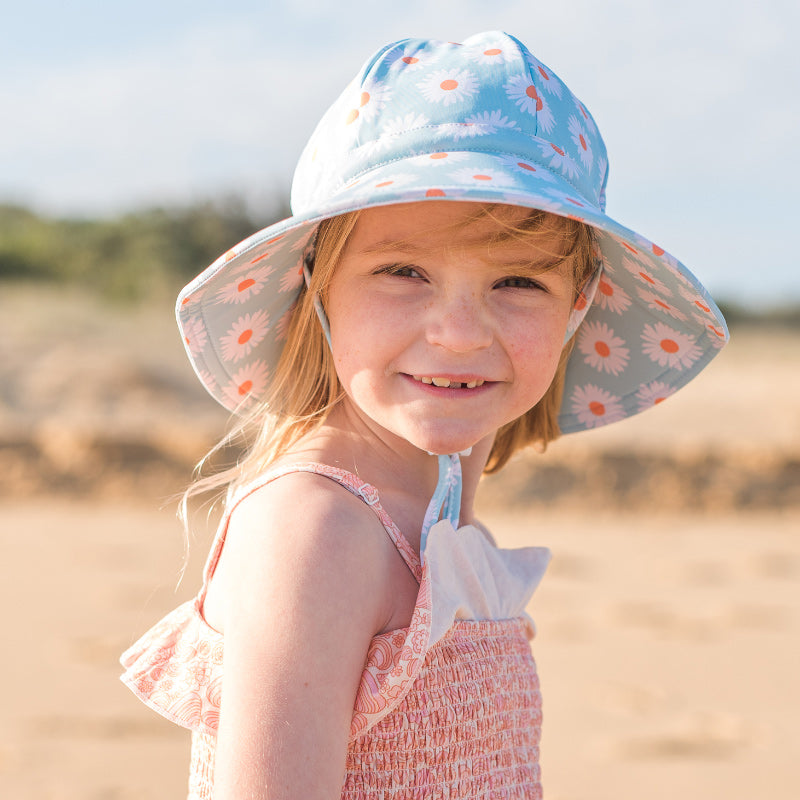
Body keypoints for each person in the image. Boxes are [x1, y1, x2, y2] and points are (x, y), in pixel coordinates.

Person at [120, 31, 728, 799]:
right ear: (317, 287)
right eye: (402, 272)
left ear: (578, 308)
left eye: (518, 283)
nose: (461, 332)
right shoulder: (317, 530)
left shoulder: (446, 528)